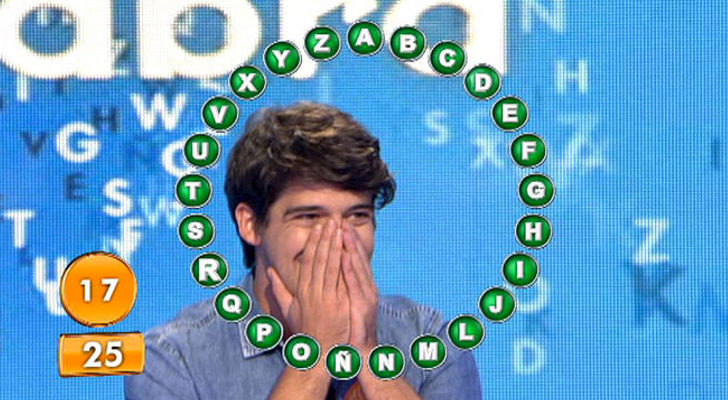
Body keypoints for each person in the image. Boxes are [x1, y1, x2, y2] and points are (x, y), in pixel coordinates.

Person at [124, 102, 482, 399]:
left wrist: (369, 354)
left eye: (357, 216)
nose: (338, 240)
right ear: (251, 225)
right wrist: (314, 357)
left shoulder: (433, 342)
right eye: (310, 217)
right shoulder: (173, 359)